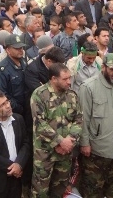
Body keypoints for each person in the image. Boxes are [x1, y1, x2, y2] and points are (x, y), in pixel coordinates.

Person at [78, 53, 113, 198]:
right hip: (97, 151)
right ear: (103, 67)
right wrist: (84, 143)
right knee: (93, 192)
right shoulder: (88, 87)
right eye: (112, 69)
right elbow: (83, 119)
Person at [30, 62, 82, 198]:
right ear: (54, 79)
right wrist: (60, 141)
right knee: (40, 191)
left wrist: (70, 142)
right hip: (45, 153)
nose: (69, 82)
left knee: (59, 190)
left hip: (65, 153)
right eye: (65, 79)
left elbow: (78, 120)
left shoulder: (72, 95)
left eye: (69, 78)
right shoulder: (39, 95)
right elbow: (40, 124)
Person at [0, 90, 30, 198]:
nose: (8, 106)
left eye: (7, 101)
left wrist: (19, 164)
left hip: (16, 181)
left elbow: (26, 144)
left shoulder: (19, 119)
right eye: (2, 104)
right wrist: (13, 167)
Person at [0, 34, 27, 115]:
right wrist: (18, 108)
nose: (20, 50)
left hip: (27, 108)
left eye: (21, 47)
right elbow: (1, 94)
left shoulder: (23, 62)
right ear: (8, 50)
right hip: (14, 111)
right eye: (16, 48)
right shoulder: (1, 70)